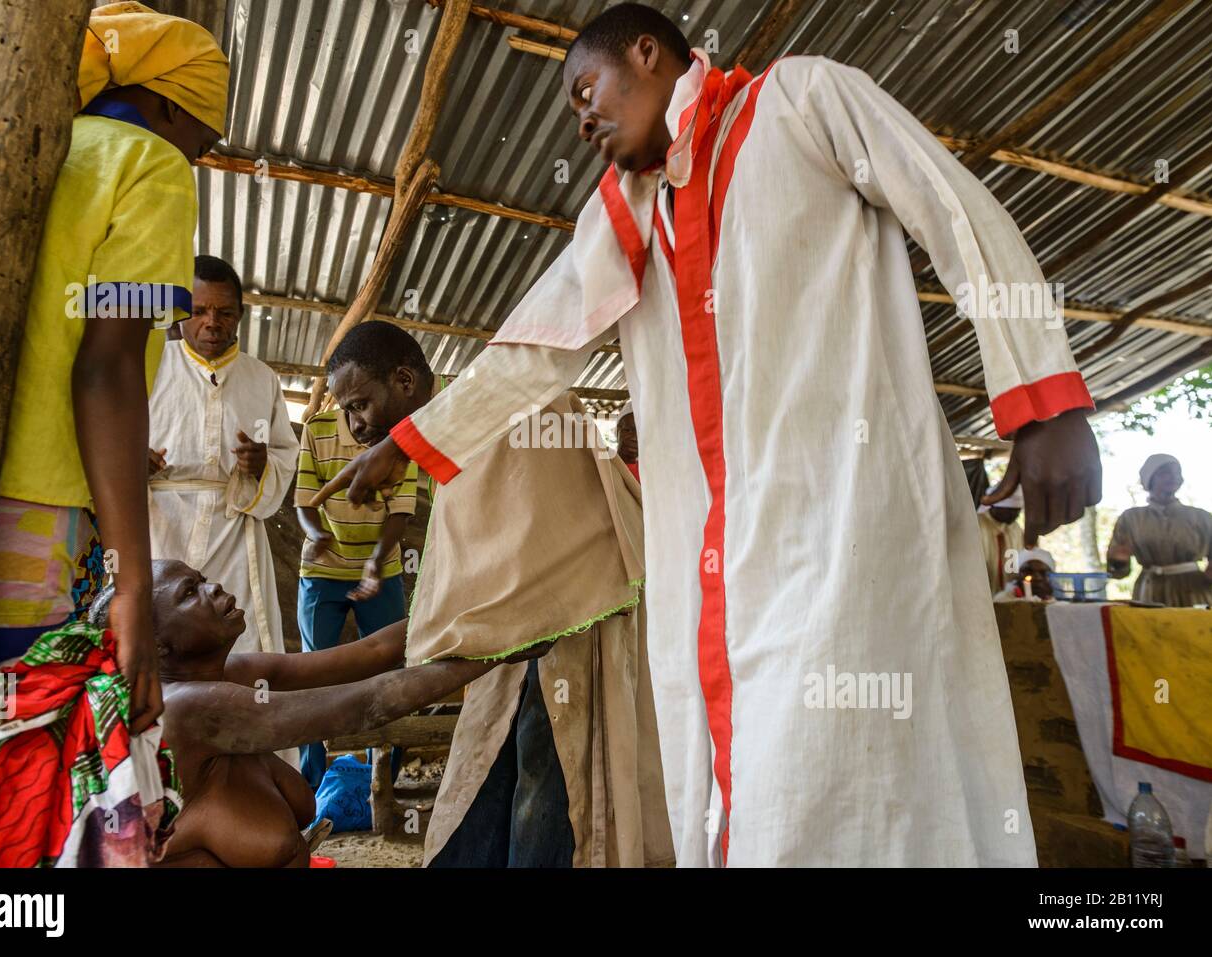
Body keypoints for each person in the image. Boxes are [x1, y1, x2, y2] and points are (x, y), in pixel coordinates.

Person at [321, 5, 1105, 866]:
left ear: (648, 53)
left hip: (847, 530)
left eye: (587, 91)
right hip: (712, 574)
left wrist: (1044, 400)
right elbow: (530, 351)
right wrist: (406, 440)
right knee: (742, 796)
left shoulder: (802, 100)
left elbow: (951, 206)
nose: (581, 122)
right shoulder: (624, 215)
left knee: (859, 782)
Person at [0, 2, 229, 733]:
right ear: (163, 104)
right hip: (30, 511)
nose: (197, 163)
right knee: (3, 751)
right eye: (202, 144)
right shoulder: (147, 165)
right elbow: (108, 366)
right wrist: (130, 589)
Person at [314, 321, 673, 868]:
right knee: (490, 763)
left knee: (550, 776)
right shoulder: (460, 441)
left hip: (572, 632)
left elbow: (548, 549)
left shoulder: (511, 403)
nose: (355, 425)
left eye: (360, 404)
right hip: (511, 648)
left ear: (406, 379)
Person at [88, 560, 532, 867]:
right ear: (155, 646)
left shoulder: (236, 675)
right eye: (190, 593)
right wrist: (505, 644)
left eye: (201, 578)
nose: (214, 588)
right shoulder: (186, 709)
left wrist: (483, 603)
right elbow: (364, 704)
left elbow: (374, 650)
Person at [147, 255, 298, 655]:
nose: (211, 322)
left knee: (239, 641)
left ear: (240, 316)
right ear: (180, 314)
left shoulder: (261, 378)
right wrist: (133, 463)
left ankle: (239, 712)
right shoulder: (150, 365)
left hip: (233, 533)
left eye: (224, 312)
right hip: (162, 528)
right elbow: (113, 438)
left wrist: (263, 465)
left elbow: (286, 450)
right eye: (198, 311)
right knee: (158, 635)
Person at [294, 397, 418, 788]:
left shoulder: (403, 435)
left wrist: (375, 563)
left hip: (382, 570)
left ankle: (383, 780)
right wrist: (317, 537)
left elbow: (400, 513)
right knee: (312, 672)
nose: (364, 421)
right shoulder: (317, 430)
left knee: (393, 671)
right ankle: (311, 781)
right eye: (356, 407)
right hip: (322, 571)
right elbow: (305, 502)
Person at [1107, 454, 1212, 607]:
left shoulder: (1202, 518)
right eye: (1164, 473)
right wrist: (1118, 562)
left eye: (1177, 472)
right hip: (1150, 592)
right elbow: (1117, 572)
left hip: (1194, 592)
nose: (1173, 477)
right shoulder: (1131, 519)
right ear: (1149, 479)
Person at [977, 485, 1026, 595]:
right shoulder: (976, 524)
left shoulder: (1015, 529)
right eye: (1010, 511)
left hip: (1009, 596)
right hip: (981, 593)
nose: (1015, 516)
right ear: (995, 507)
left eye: (1018, 512)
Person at [615, 401, 640, 480]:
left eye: (640, 433)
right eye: (628, 430)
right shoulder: (604, 466)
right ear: (617, 430)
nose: (634, 438)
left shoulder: (649, 472)